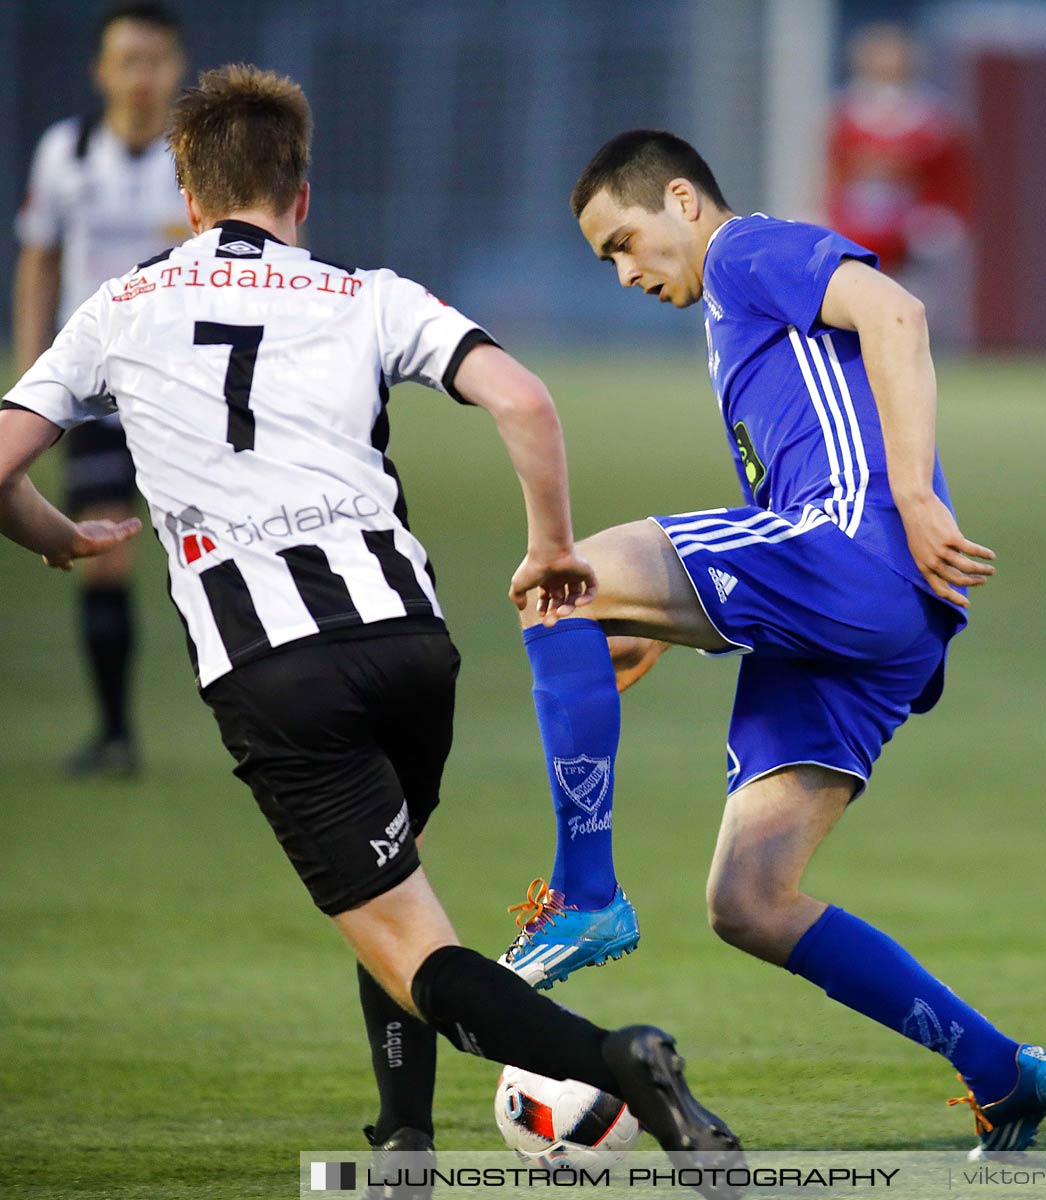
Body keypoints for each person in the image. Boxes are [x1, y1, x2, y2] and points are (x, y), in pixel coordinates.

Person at [0, 69, 740, 1196]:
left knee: (413, 949)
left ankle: (621, 1066)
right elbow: (525, 401)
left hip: (274, 670)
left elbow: (5, 465)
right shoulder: (365, 291)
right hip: (410, 642)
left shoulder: (116, 307)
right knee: (400, 886)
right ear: (302, 193)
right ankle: (403, 1136)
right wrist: (552, 549)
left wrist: (58, 536)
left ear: (190, 202)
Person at [498, 129, 1046, 1157]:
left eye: (625, 242)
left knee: (557, 583)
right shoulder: (732, 319)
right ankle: (1003, 1073)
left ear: (682, 199)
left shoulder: (746, 251)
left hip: (862, 552)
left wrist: (907, 497)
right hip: (868, 621)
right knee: (749, 901)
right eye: (607, 262)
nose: (627, 273)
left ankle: (584, 895)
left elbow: (897, 311)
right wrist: (670, 627)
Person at [12, 1, 192, 776]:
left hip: (187, 387)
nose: (141, 76)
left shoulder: (198, 157)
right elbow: (39, 261)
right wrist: (32, 381)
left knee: (210, 550)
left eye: (155, 60)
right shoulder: (67, 153)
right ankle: (116, 733)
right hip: (94, 389)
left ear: (177, 67)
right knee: (108, 548)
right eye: (128, 60)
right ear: (102, 70)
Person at [824, 23, 973, 345]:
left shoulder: (933, 116)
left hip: (910, 223)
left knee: (912, 300)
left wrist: (945, 218)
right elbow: (830, 170)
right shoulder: (845, 111)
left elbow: (951, 177)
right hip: (855, 221)